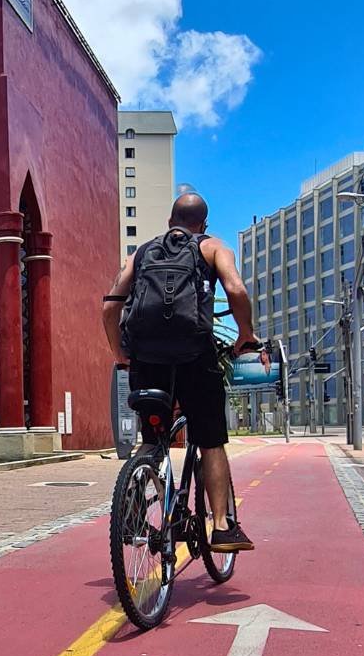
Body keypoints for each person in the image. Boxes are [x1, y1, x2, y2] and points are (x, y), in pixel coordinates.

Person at [101, 187, 266, 552]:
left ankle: (138, 500)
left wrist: (121, 353)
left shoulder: (142, 253)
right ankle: (222, 526)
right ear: (203, 224)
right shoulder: (212, 247)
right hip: (196, 358)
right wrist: (246, 334)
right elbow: (236, 289)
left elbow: (111, 305)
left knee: (151, 440)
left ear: (170, 223)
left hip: (147, 359)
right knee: (210, 441)